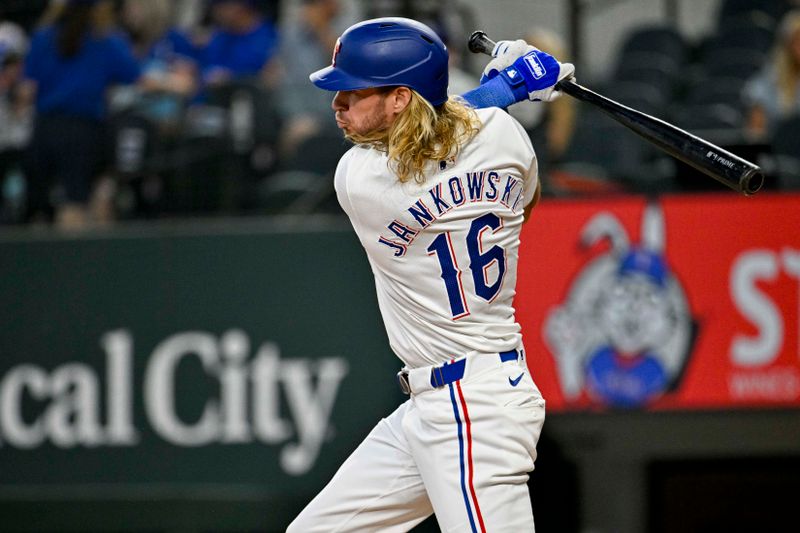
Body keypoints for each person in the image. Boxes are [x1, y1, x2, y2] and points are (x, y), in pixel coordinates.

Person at [287, 18, 574, 531]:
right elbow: (521, 201)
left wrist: (502, 86)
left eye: (352, 93)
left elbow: (437, 141)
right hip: (441, 401)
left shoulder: (359, 178)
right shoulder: (506, 137)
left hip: (472, 408)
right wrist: (506, 88)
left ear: (399, 99)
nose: (337, 104)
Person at [21, 0, 141, 228]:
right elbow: (133, 74)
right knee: (75, 202)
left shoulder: (43, 37)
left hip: (44, 130)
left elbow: (28, 88)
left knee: (40, 208)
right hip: (82, 131)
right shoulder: (105, 41)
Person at [743, 9, 800, 140]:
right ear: (788, 44)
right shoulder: (769, 79)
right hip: (780, 150)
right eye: (798, 40)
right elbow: (755, 133)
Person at [201, 0, 279, 88]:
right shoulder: (219, 36)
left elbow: (268, 76)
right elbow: (206, 68)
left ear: (242, 7)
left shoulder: (270, 36)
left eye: (224, 6)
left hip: (256, 96)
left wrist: (232, 77)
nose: (217, 12)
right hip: (219, 97)